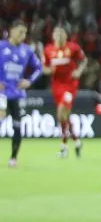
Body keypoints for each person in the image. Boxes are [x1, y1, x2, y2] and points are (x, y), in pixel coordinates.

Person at [1, 21, 43, 168]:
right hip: (1, 93)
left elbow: (39, 68)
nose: (23, 36)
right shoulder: (1, 47)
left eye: (25, 33)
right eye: (20, 32)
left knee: (17, 126)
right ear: (11, 31)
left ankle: (13, 158)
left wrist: (29, 81)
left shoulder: (27, 51)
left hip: (17, 94)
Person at [42, 26, 88, 159]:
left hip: (70, 85)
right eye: (57, 34)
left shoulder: (73, 48)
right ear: (53, 36)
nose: (60, 37)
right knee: (64, 117)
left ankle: (64, 147)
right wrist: (48, 71)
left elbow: (84, 60)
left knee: (61, 111)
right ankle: (77, 141)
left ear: (66, 36)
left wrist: (79, 71)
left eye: (62, 34)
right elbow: (44, 67)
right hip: (56, 85)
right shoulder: (48, 50)